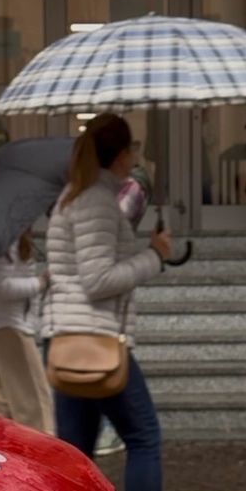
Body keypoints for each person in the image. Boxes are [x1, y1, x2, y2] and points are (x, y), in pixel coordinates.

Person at [45, 113, 203, 491]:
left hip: (70, 339)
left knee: (77, 456)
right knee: (144, 437)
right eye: (132, 149)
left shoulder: (75, 197)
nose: (136, 156)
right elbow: (97, 281)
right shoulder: (94, 201)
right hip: (95, 339)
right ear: (119, 155)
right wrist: (154, 255)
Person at [95, 140, 152, 458]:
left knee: (109, 359)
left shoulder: (132, 185)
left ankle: (111, 429)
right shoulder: (114, 187)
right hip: (106, 289)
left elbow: (110, 225)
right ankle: (108, 427)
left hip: (111, 289)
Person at [0, 229, 54, 434]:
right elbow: (0, 286)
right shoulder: (3, 241)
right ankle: (43, 456)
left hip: (3, 326)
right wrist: (40, 283)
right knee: (33, 401)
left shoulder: (12, 238)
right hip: (8, 327)